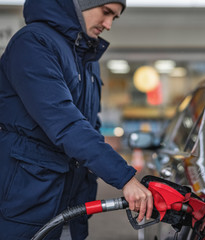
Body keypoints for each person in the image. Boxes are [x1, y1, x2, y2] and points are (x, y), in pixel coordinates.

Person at [0, 0, 153, 239]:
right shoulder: (34, 43)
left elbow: (92, 125)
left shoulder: (86, 58)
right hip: (28, 198)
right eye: (106, 12)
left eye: (115, 17)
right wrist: (124, 177)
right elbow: (65, 124)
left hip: (70, 200)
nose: (109, 24)